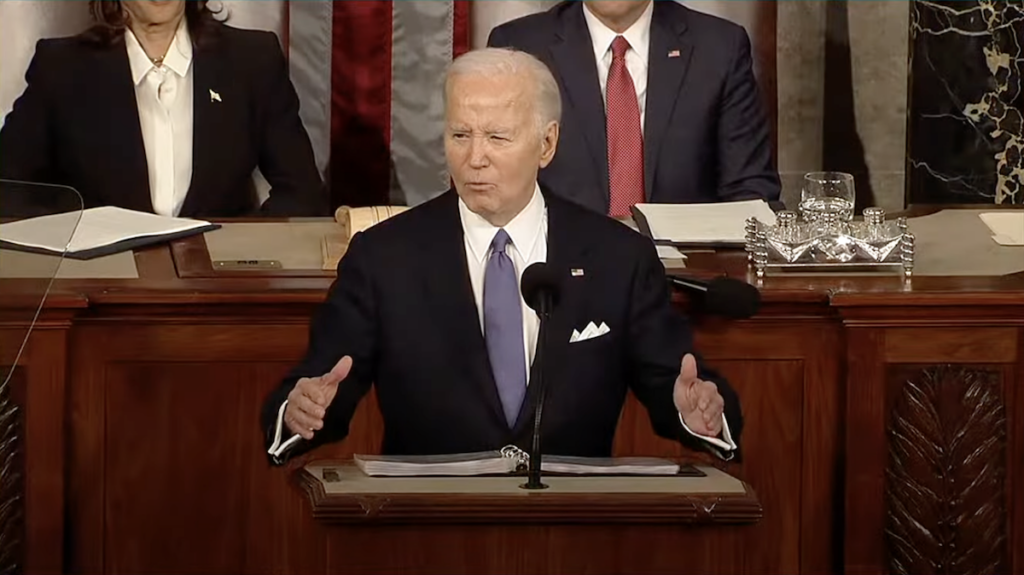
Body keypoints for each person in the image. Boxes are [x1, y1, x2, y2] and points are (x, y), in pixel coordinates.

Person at [261, 48, 742, 464]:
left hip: (574, 530)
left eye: (497, 137)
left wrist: (695, 410)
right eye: (460, 135)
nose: (475, 158)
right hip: (426, 529)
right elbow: (321, 383)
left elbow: (675, 382)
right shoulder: (384, 256)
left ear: (546, 144)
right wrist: (300, 410)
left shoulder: (618, 256)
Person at [0, 0, 326, 218]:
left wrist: (243, 251)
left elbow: (302, 193)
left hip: (223, 294)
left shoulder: (253, 60)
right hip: (101, 293)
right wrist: (68, 250)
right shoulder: (62, 68)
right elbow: (7, 189)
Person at [487, 0, 781, 217]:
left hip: (688, 279)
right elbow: (496, 183)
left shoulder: (719, 47)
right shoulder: (520, 47)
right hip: (560, 276)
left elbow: (750, 191)